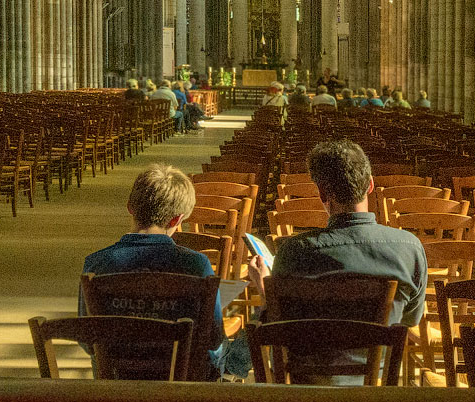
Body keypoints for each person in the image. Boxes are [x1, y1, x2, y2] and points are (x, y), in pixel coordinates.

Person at [268, 139, 428, 383]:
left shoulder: (294, 252)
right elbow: (410, 320)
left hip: (308, 391)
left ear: (322, 192)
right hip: (375, 386)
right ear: (371, 185)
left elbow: (283, 327)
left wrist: (263, 286)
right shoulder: (410, 248)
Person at [82, 165, 247, 378]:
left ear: (130, 207)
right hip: (181, 385)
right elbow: (212, 338)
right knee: (247, 335)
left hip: (118, 383)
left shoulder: (96, 264)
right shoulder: (196, 264)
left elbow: (88, 341)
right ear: (176, 220)